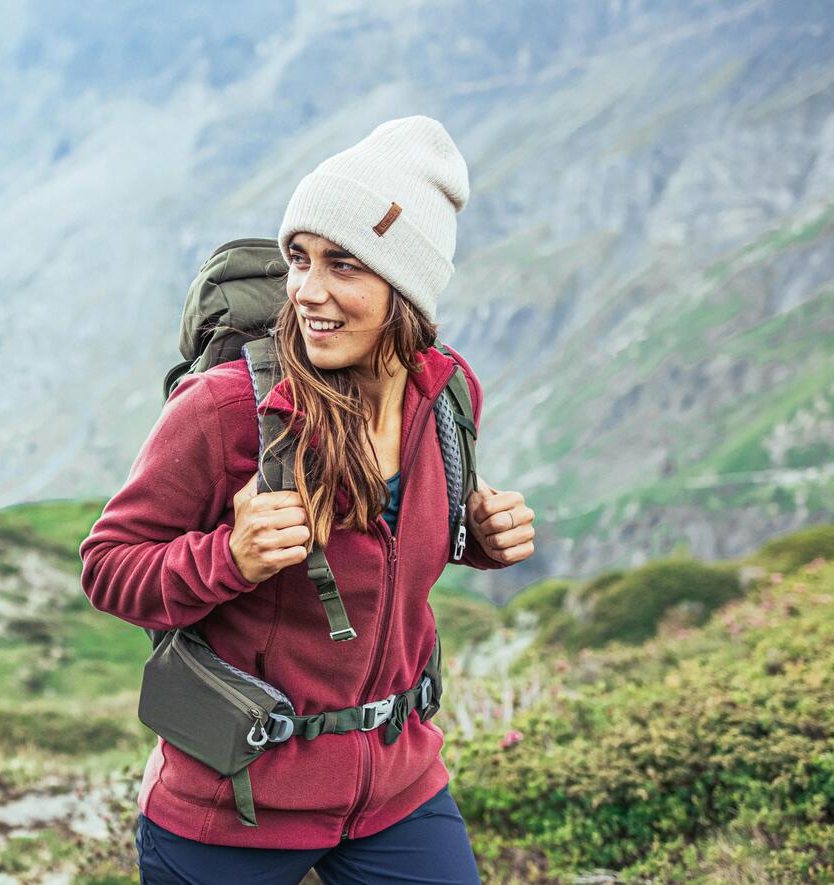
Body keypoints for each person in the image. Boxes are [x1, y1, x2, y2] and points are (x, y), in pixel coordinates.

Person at [80, 116, 536, 883]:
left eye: (345, 265)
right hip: (232, 806)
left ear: (408, 288)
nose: (308, 291)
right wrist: (230, 557)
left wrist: (474, 535)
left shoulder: (447, 394)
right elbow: (108, 567)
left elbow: (392, 549)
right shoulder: (226, 409)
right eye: (299, 257)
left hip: (398, 792)